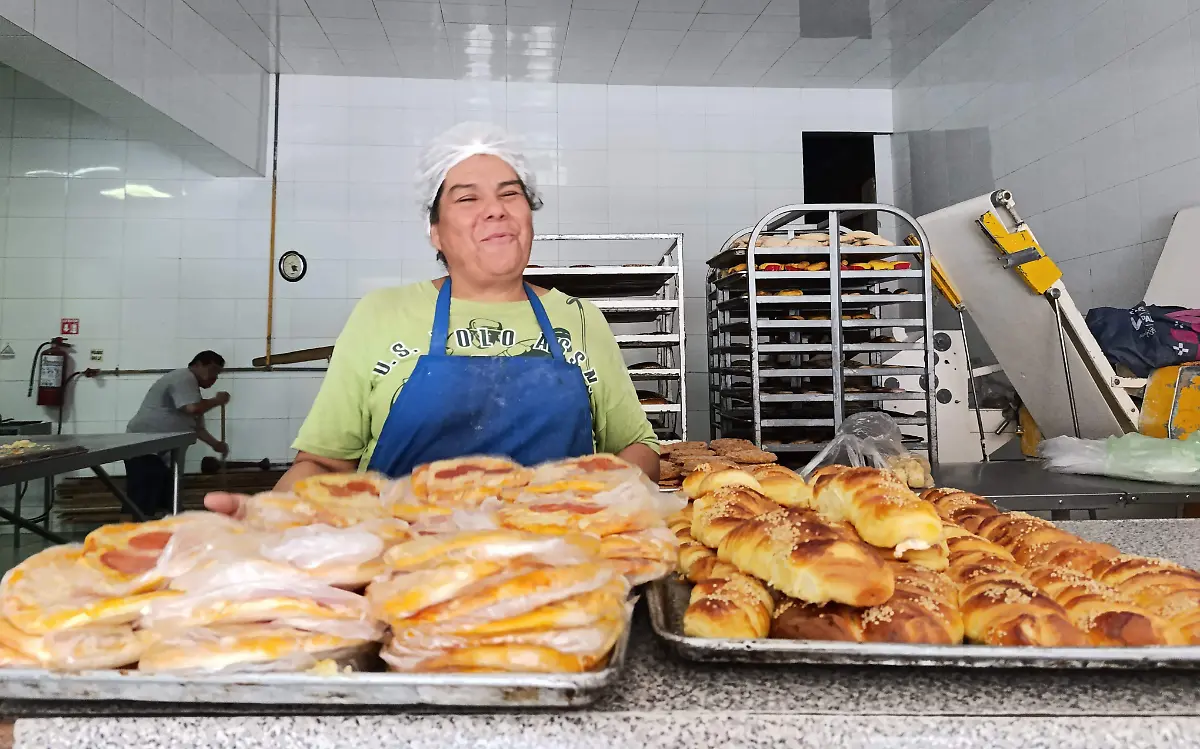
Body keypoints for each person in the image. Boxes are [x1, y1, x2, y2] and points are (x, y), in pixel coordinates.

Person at [205, 122, 658, 516]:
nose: (495, 208)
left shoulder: (581, 319)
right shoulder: (381, 314)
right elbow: (324, 464)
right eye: (466, 198)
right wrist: (271, 519)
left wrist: (602, 502)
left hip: (558, 565)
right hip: (404, 568)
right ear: (435, 232)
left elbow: (638, 448)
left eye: (510, 194)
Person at [125, 350, 230, 516]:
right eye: (212, 370)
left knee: (165, 502)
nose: (214, 377)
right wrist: (216, 401)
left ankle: (159, 536)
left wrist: (216, 444)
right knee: (142, 501)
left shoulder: (192, 392)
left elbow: (197, 428)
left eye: (217, 374)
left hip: (163, 454)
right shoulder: (184, 377)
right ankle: (128, 537)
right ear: (197, 365)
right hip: (144, 447)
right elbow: (192, 408)